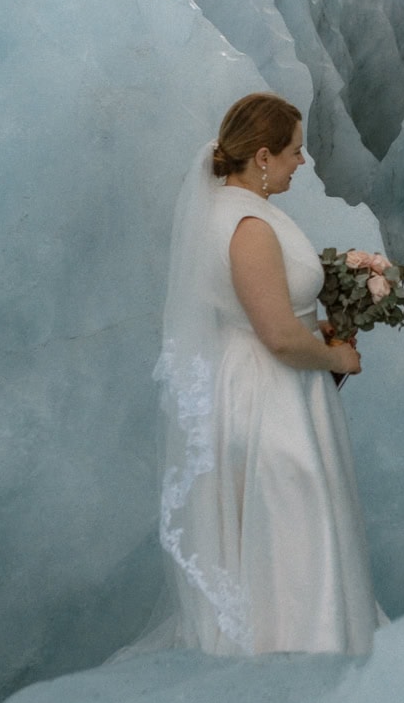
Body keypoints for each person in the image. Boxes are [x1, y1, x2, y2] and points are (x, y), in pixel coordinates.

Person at [155, 92, 379, 654]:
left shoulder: (232, 211)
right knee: (292, 522)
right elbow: (278, 335)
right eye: (295, 152)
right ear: (262, 155)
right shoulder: (247, 225)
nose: (301, 163)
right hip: (270, 393)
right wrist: (337, 357)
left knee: (280, 526)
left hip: (259, 380)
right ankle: (305, 647)